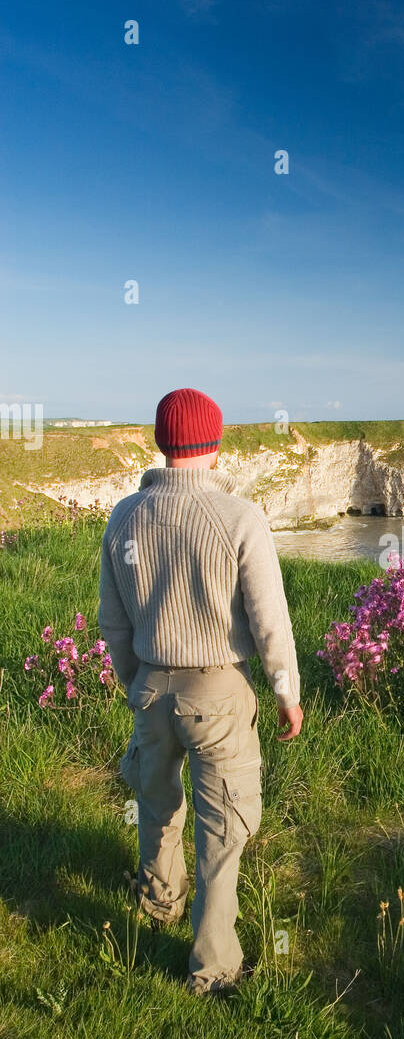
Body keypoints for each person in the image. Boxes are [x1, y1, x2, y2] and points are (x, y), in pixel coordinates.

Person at [97, 388, 303, 995]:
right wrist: (286, 692)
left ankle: (159, 899)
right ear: (214, 444)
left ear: (161, 442)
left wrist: (131, 678)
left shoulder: (124, 516)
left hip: (151, 686)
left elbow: (113, 620)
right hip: (218, 694)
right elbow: (270, 618)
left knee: (156, 802)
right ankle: (213, 967)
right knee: (222, 826)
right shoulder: (239, 517)